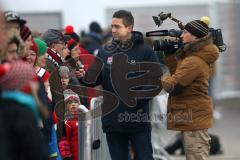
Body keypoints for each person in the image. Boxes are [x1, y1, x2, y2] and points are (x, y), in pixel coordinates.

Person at [83, 10, 159, 160]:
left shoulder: (145, 51)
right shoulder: (104, 52)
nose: (113, 30)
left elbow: (155, 82)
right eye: (112, 26)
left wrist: (136, 100)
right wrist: (80, 75)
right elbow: (93, 80)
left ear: (129, 28)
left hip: (137, 120)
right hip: (113, 121)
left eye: (117, 26)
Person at [161, 19, 219, 160]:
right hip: (193, 117)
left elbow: (173, 86)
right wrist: (169, 56)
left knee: (196, 156)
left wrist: (161, 78)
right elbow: (180, 74)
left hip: (194, 118)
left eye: (185, 32)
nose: (181, 36)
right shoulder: (194, 57)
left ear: (196, 37)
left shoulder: (194, 60)